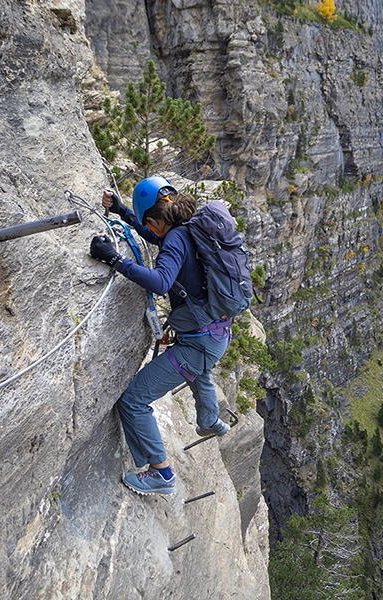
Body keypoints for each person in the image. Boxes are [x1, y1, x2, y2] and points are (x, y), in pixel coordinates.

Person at [89, 176, 232, 496]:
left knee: (133, 401)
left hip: (199, 342)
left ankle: (161, 473)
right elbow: (159, 239)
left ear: (157, 220)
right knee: (200, 372)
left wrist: (114, 259)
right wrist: (125, 213)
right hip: (215, 332)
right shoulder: (190, 227)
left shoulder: (176, 239)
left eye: (148, 224)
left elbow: (161, 282)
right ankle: (209, 420)